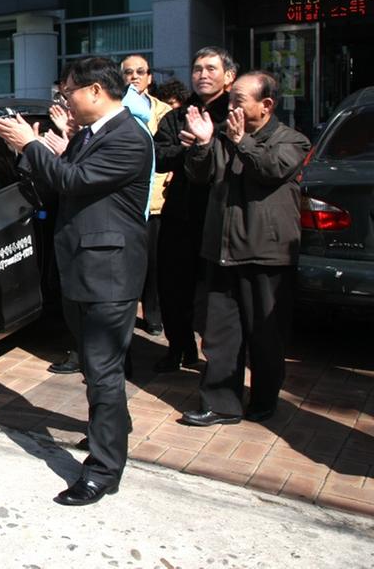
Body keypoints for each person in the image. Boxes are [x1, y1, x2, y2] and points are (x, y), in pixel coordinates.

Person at [0, 56, 152, 506]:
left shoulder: (129, 139)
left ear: (96, 92)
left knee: (102, 370)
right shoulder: (93, 135)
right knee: (96, 368)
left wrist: (31, 145)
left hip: (109, 275)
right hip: (82, 268)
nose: (66, 100)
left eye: (69, 93)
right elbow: (60, 180)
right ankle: (111, 431)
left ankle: (103, 470)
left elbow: (74, 180)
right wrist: (34, 150)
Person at [178, 72, 310, 427]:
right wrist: (203, 145)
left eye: (238, 100)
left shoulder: (291, 140)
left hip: (265, 252)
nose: (231, 106)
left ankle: (265, 399)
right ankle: (221, 403)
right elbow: (198, 175)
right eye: (230, 100)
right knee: (219, 333)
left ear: (266, 105)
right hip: (221, 249)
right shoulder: (222, 136)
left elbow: (269, 170)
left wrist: (241, 142)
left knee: (265, 336)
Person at [152, 47, 237, 373]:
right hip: (180, 214)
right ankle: (179, 348)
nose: (203, 74)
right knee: (173, 286)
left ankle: (219, 362)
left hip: (222, 214)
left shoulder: (235, 113)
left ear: (228, 76)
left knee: (218, 293)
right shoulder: (178, 115)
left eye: (211, 68)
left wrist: (207, 140)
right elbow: (159, 156)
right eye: (197, 68)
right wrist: (188, 146)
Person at [121, 55, 173, 337]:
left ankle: (153, 315)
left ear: (150, 77)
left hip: (156, 202)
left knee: (155, 265)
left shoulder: (163, 112)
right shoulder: (116, 110)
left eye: (140, 72)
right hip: (127, 204)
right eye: (128, 72)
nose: (134, 77)